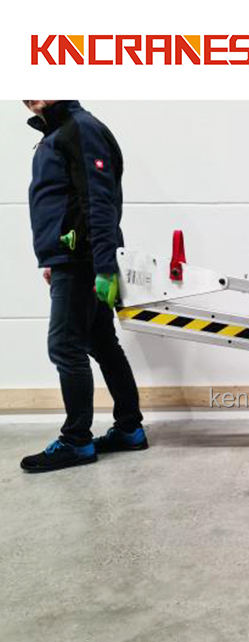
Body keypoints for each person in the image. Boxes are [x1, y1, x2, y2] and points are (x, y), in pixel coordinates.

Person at [21, 100, 148, 473]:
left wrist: (104, 267)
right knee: (101, 343)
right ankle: (129, 429)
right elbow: (62, 200)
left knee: (65, 346)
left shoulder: (80, 128)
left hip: (83, 260)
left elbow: (98, 200)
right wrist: (53, 258)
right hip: (72, 259)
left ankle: (76, 441)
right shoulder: (57, 132)